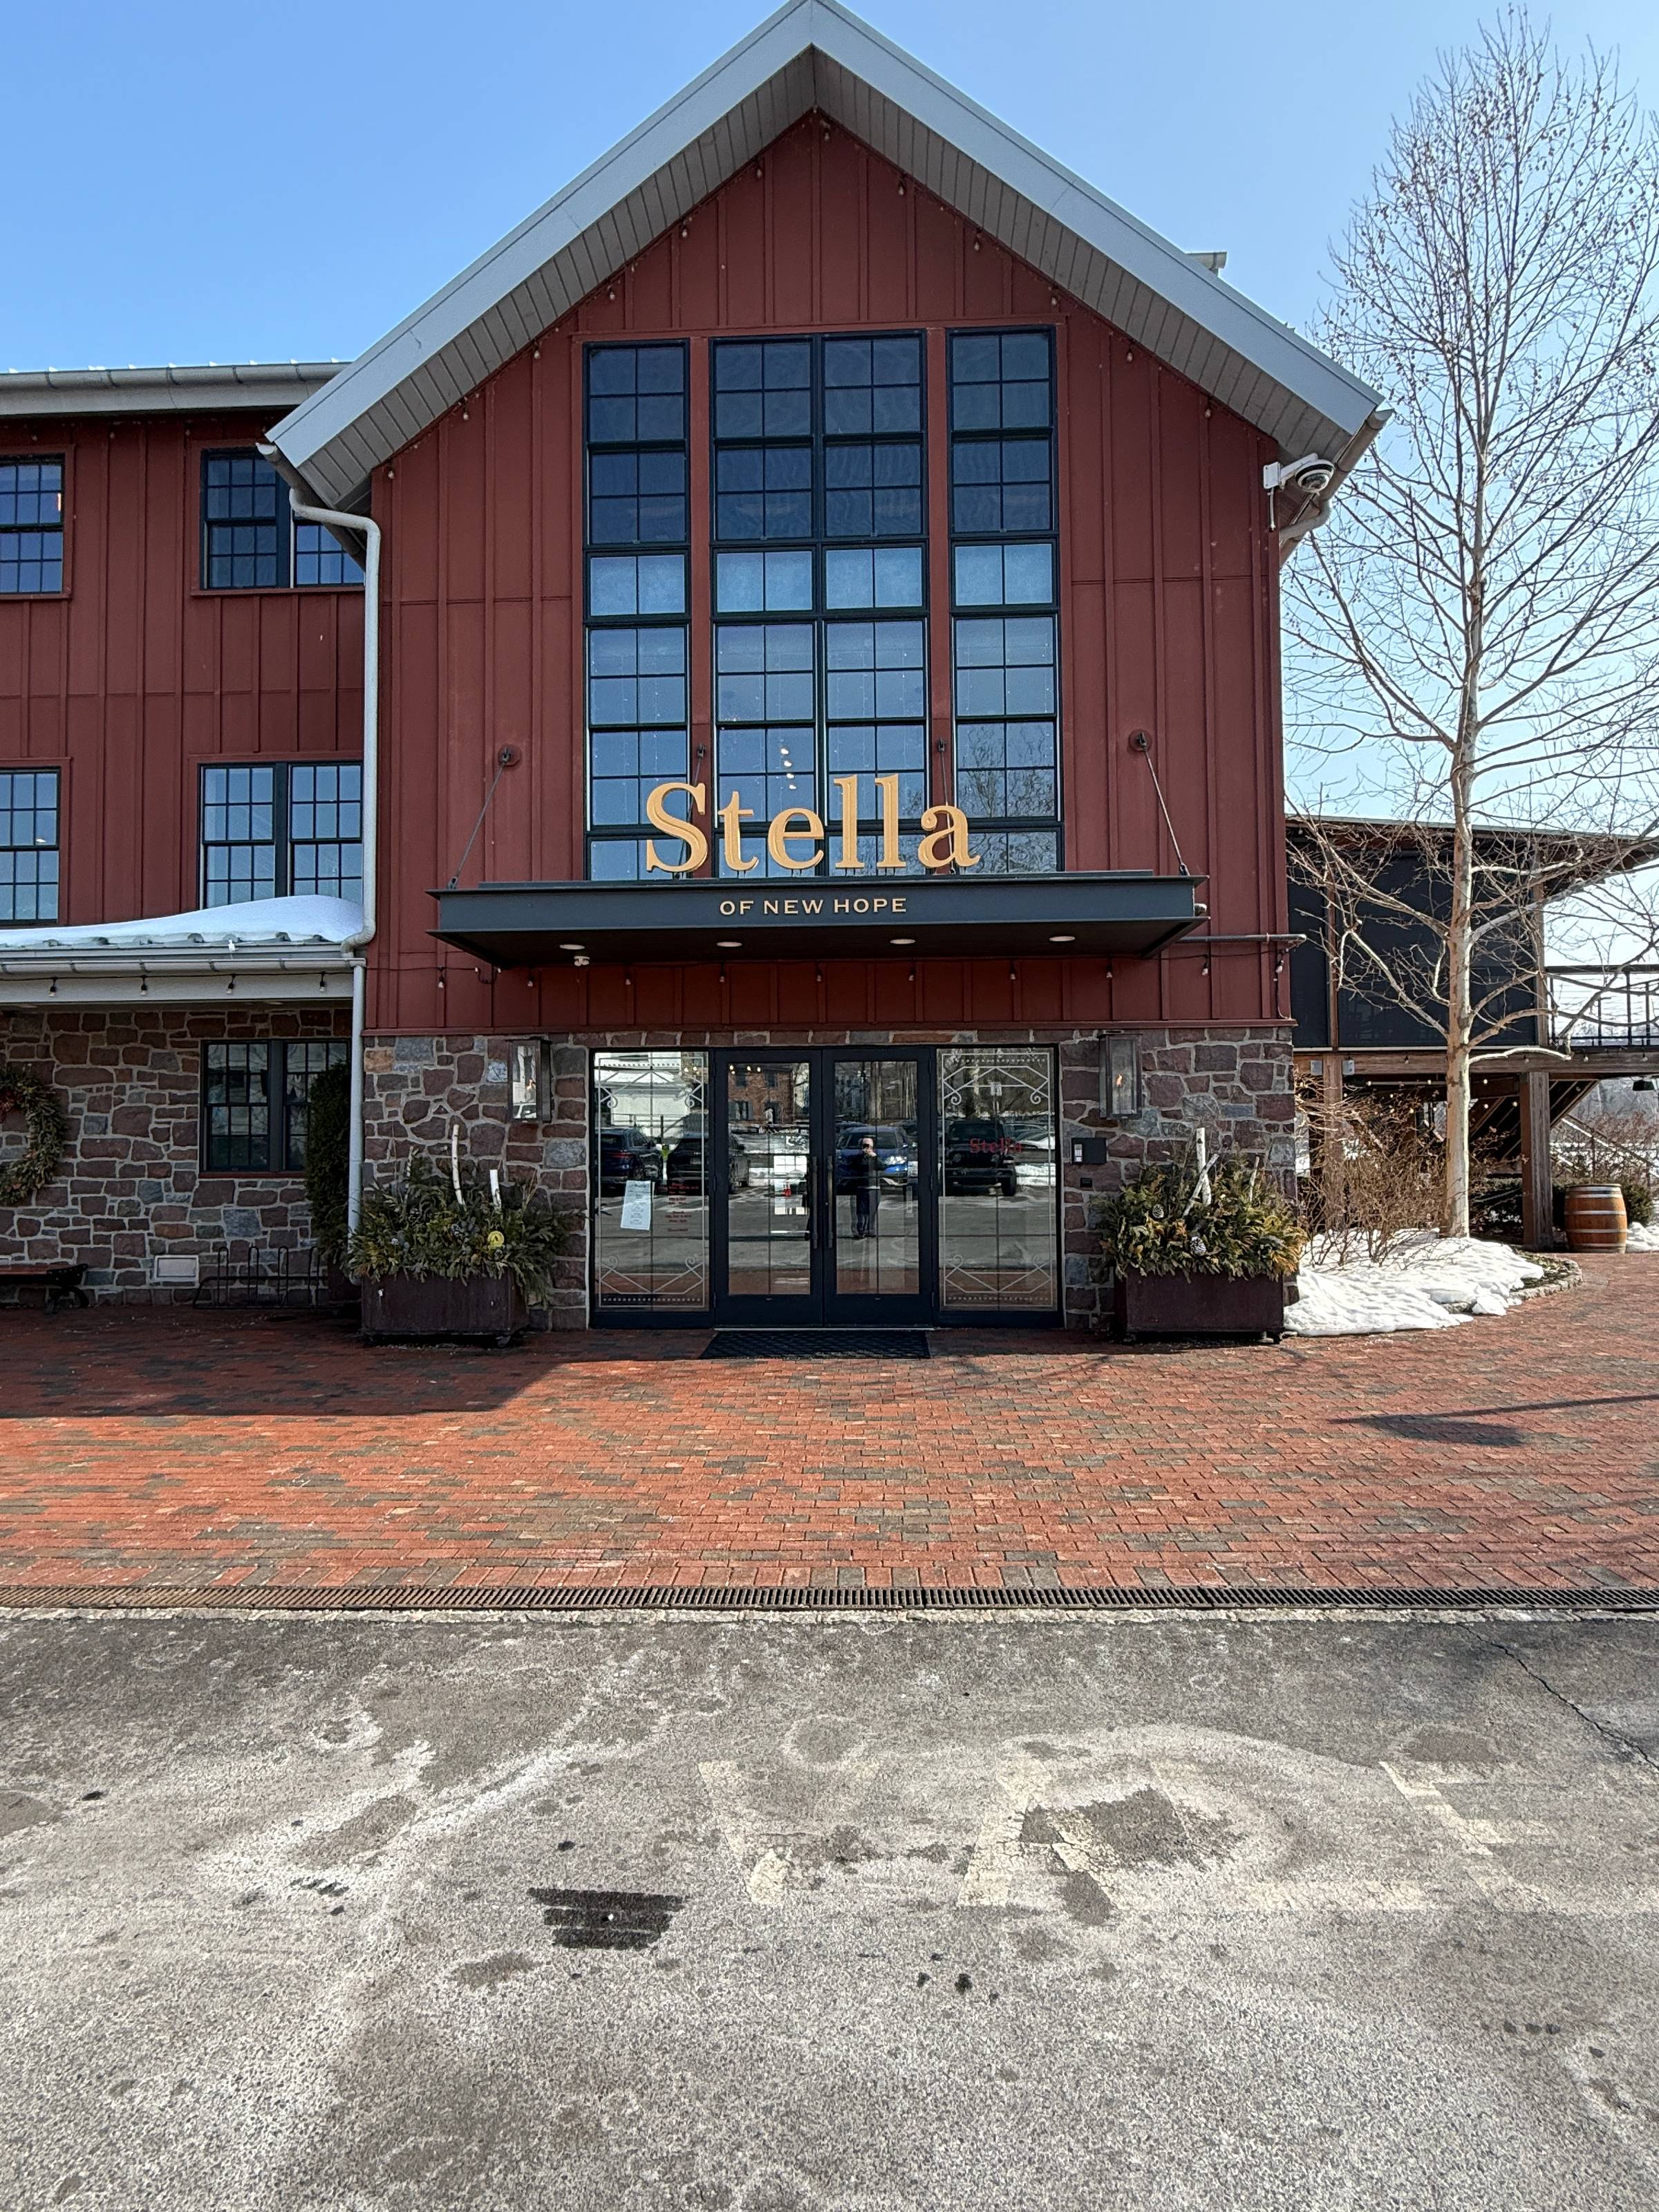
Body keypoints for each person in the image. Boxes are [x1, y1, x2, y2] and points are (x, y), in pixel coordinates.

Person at [850, 1134, 881, 1239]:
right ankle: (860, 1230)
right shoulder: (857, 1158)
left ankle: (869, 1229)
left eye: (869, 1146)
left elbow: (881, 1167)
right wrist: (864, 1156)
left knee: (870, 1211)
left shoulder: (875, 1157)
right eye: (865, 1146)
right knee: (860, 1211)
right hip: (861, 1188)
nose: (867, 1149)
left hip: (873, 1187)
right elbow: (858, 1167)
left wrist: (874, 1157)